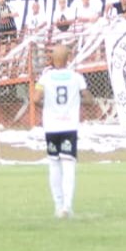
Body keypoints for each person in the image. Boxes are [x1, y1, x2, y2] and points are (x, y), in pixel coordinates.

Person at [31, 45, 93, 218]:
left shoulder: (46, 77)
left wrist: (47, 106)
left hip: (51, 126)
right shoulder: (77, 77)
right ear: (68, 58)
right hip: (69, 126)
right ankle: (67, 205)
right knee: (69, 164)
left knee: (54, 164)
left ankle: (58, 206)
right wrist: (78, 102)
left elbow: (35, 99)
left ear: (52, 59)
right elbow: (88, 99)